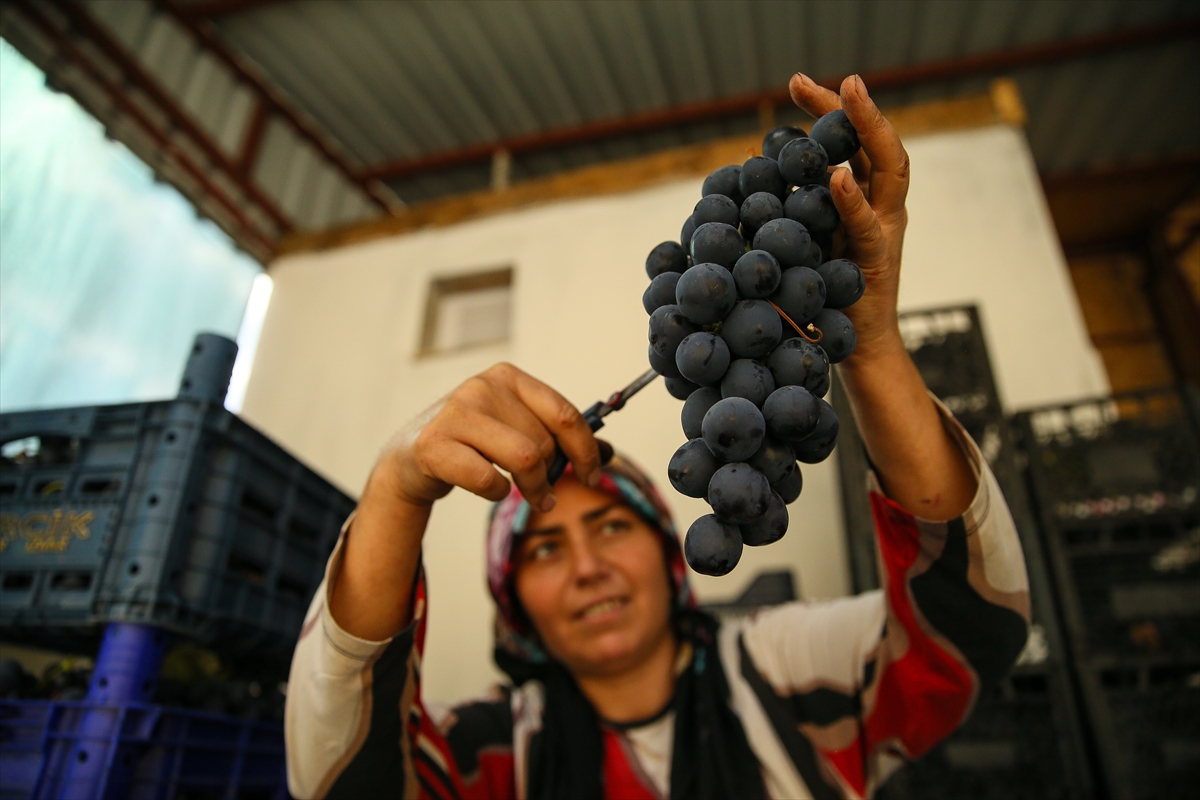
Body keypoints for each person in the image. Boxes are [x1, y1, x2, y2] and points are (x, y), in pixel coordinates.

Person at [284, 74, 1031, 800]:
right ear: (510, 602)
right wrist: (393, 492)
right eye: (544, 547)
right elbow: (340, 784)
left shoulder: (786, 672)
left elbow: (971, 636)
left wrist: (866, 343)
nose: (587, 567)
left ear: (664, 545)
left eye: (610, 525)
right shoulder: (491, 753)